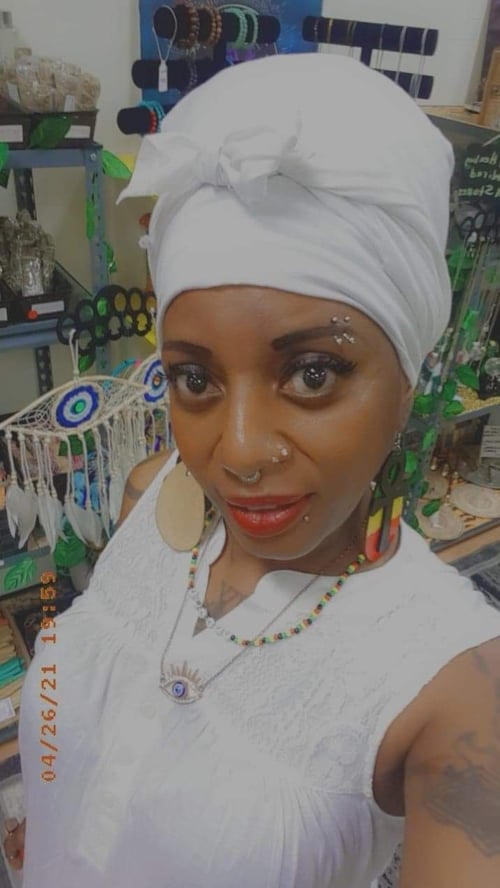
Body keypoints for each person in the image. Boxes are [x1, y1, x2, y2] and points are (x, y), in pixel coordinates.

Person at [12, 53, 500, 888]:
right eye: (194, 378)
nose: (237, 451)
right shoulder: (149, 498)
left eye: (313, 373)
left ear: (408, 379)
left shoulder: (454, 692)